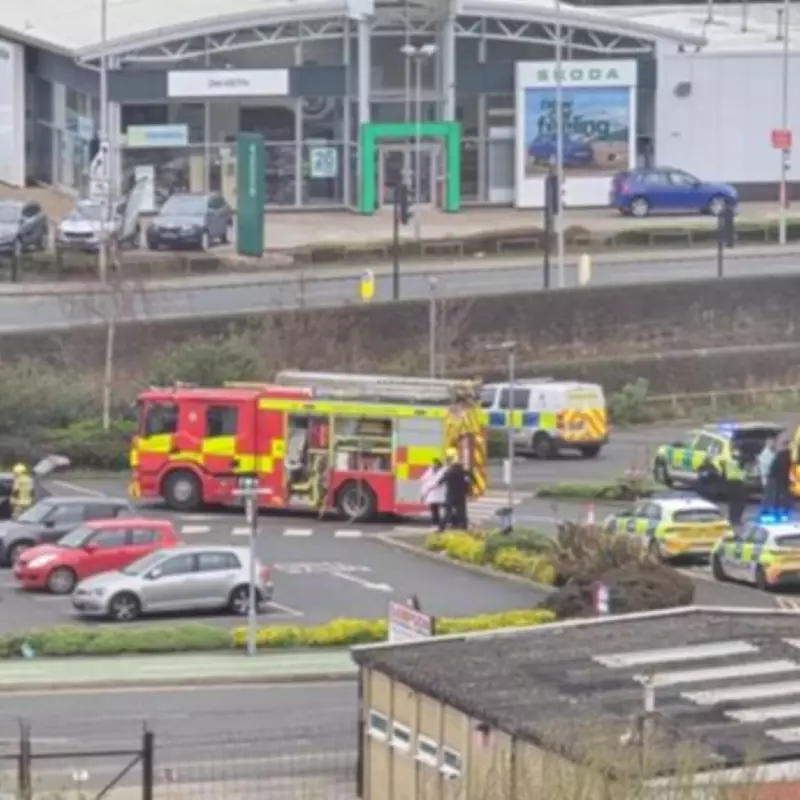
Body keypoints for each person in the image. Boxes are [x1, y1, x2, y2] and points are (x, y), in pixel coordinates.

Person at [438, 448, 473, 530]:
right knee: (462, 512)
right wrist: (468, 490)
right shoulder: (465, 472)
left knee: (447, 512)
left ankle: (442, 528)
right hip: (461, 495)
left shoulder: (450, 472)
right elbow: (472, 480)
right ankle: (463, 527)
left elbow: (441, 481)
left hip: (451, 495)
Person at [722, 451, 748, 526]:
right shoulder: (739, 463)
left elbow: (723, 475)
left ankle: (731, 518)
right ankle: (737, 519)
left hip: (730, 484)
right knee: (740, 503)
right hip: (738, 483)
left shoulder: (729, 462)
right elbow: (742, 466)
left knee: (732, 502)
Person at [420, 458, 446, 532]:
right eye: (433, 464)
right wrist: (423, 494)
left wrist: (430, 485)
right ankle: (435, 525)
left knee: (442, 510)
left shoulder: (443, 471)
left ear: (439, 465)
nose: (434, 465)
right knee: (434, 511)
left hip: (440, 495)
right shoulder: (430, 471)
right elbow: (423, 480)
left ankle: (440, 525)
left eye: (435, 464)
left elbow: (438, 483)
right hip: (432, 495)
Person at [769, 436, 793, 514]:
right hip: (787, 477)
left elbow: (774, 466)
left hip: (779, 477)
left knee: (778, 493)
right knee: (786, 493)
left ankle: (777, 508)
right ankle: (786, 508)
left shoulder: (780, 455)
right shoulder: (791, 455)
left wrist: (771, 475)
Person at [759, 437, 778, 509]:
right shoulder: (765, 453)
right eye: (771, 442)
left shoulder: (772, 452)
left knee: (771, 495)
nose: (773, 444)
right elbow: (765, 466)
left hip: (771, 477)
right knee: (768, 495)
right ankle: (765, 508)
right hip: (768, 477)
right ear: (767, 443)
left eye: (773, 442)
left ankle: (769, 508)